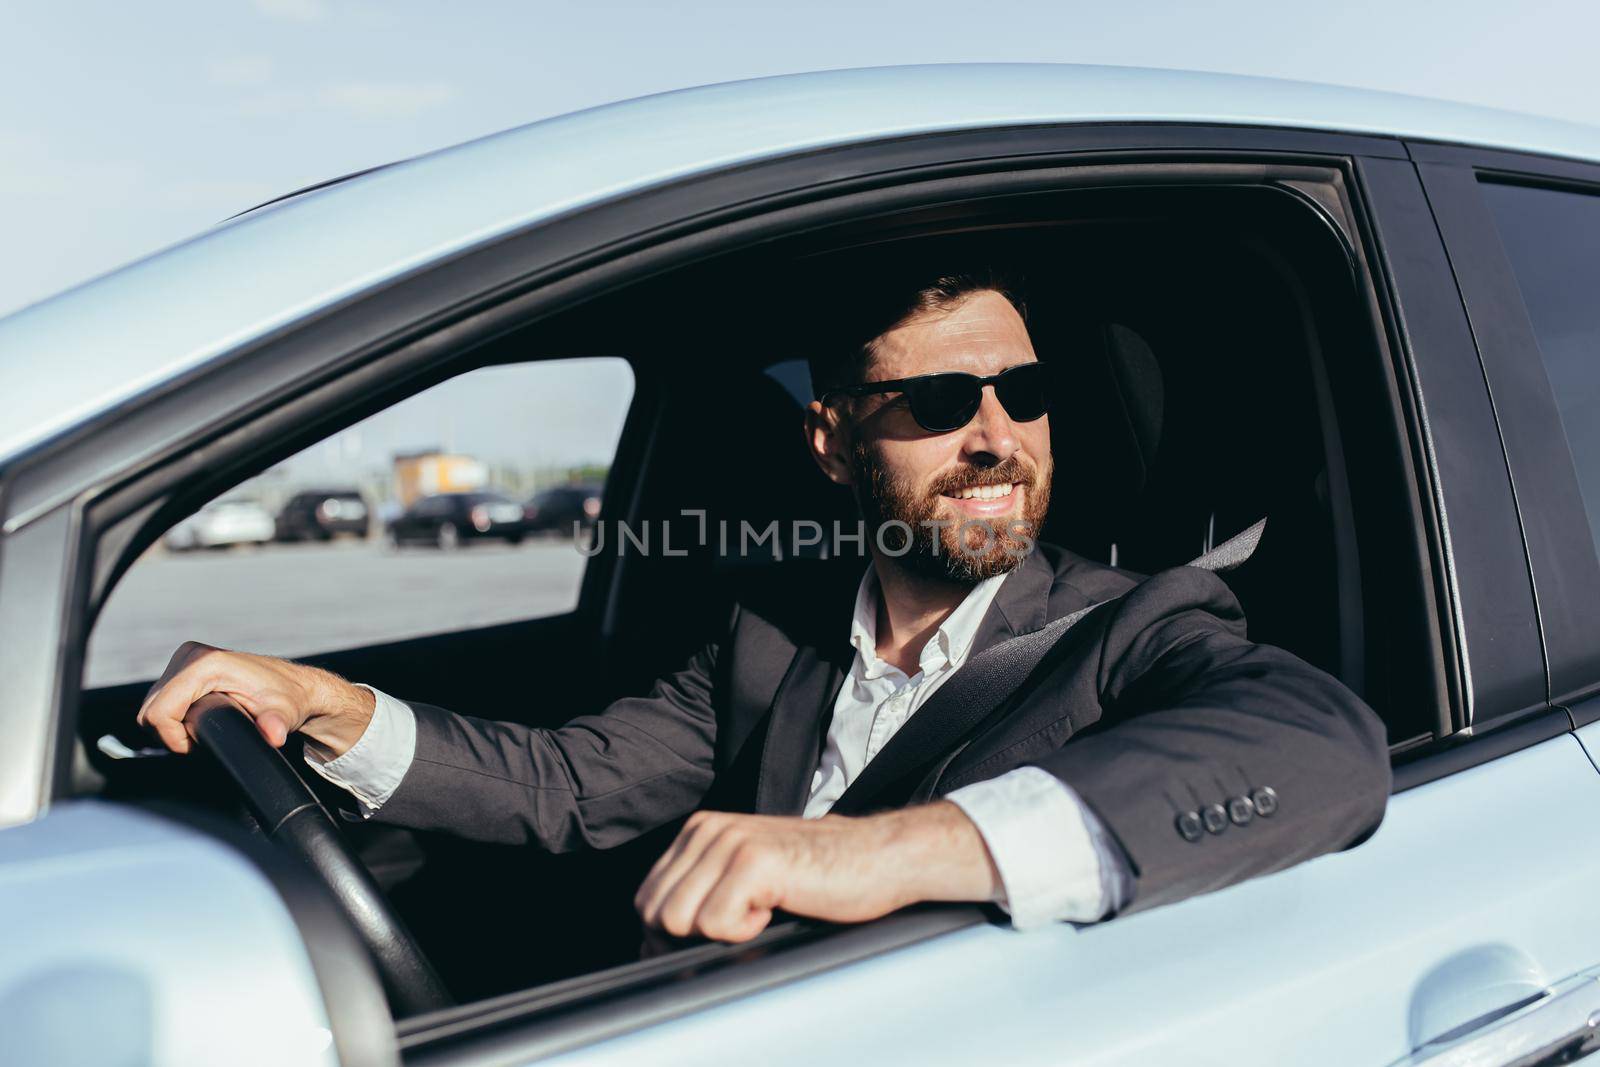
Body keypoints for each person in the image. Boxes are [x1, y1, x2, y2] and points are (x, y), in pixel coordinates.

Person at [138, 268, 1391, 944]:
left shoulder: (1135, 623)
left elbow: (1322, 747)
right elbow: (567, 785)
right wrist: (321, 700)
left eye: (1024, 391)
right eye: (938, 405)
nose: (996, 435)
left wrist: (880, 849)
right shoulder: (770, 630)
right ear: (834, 443)